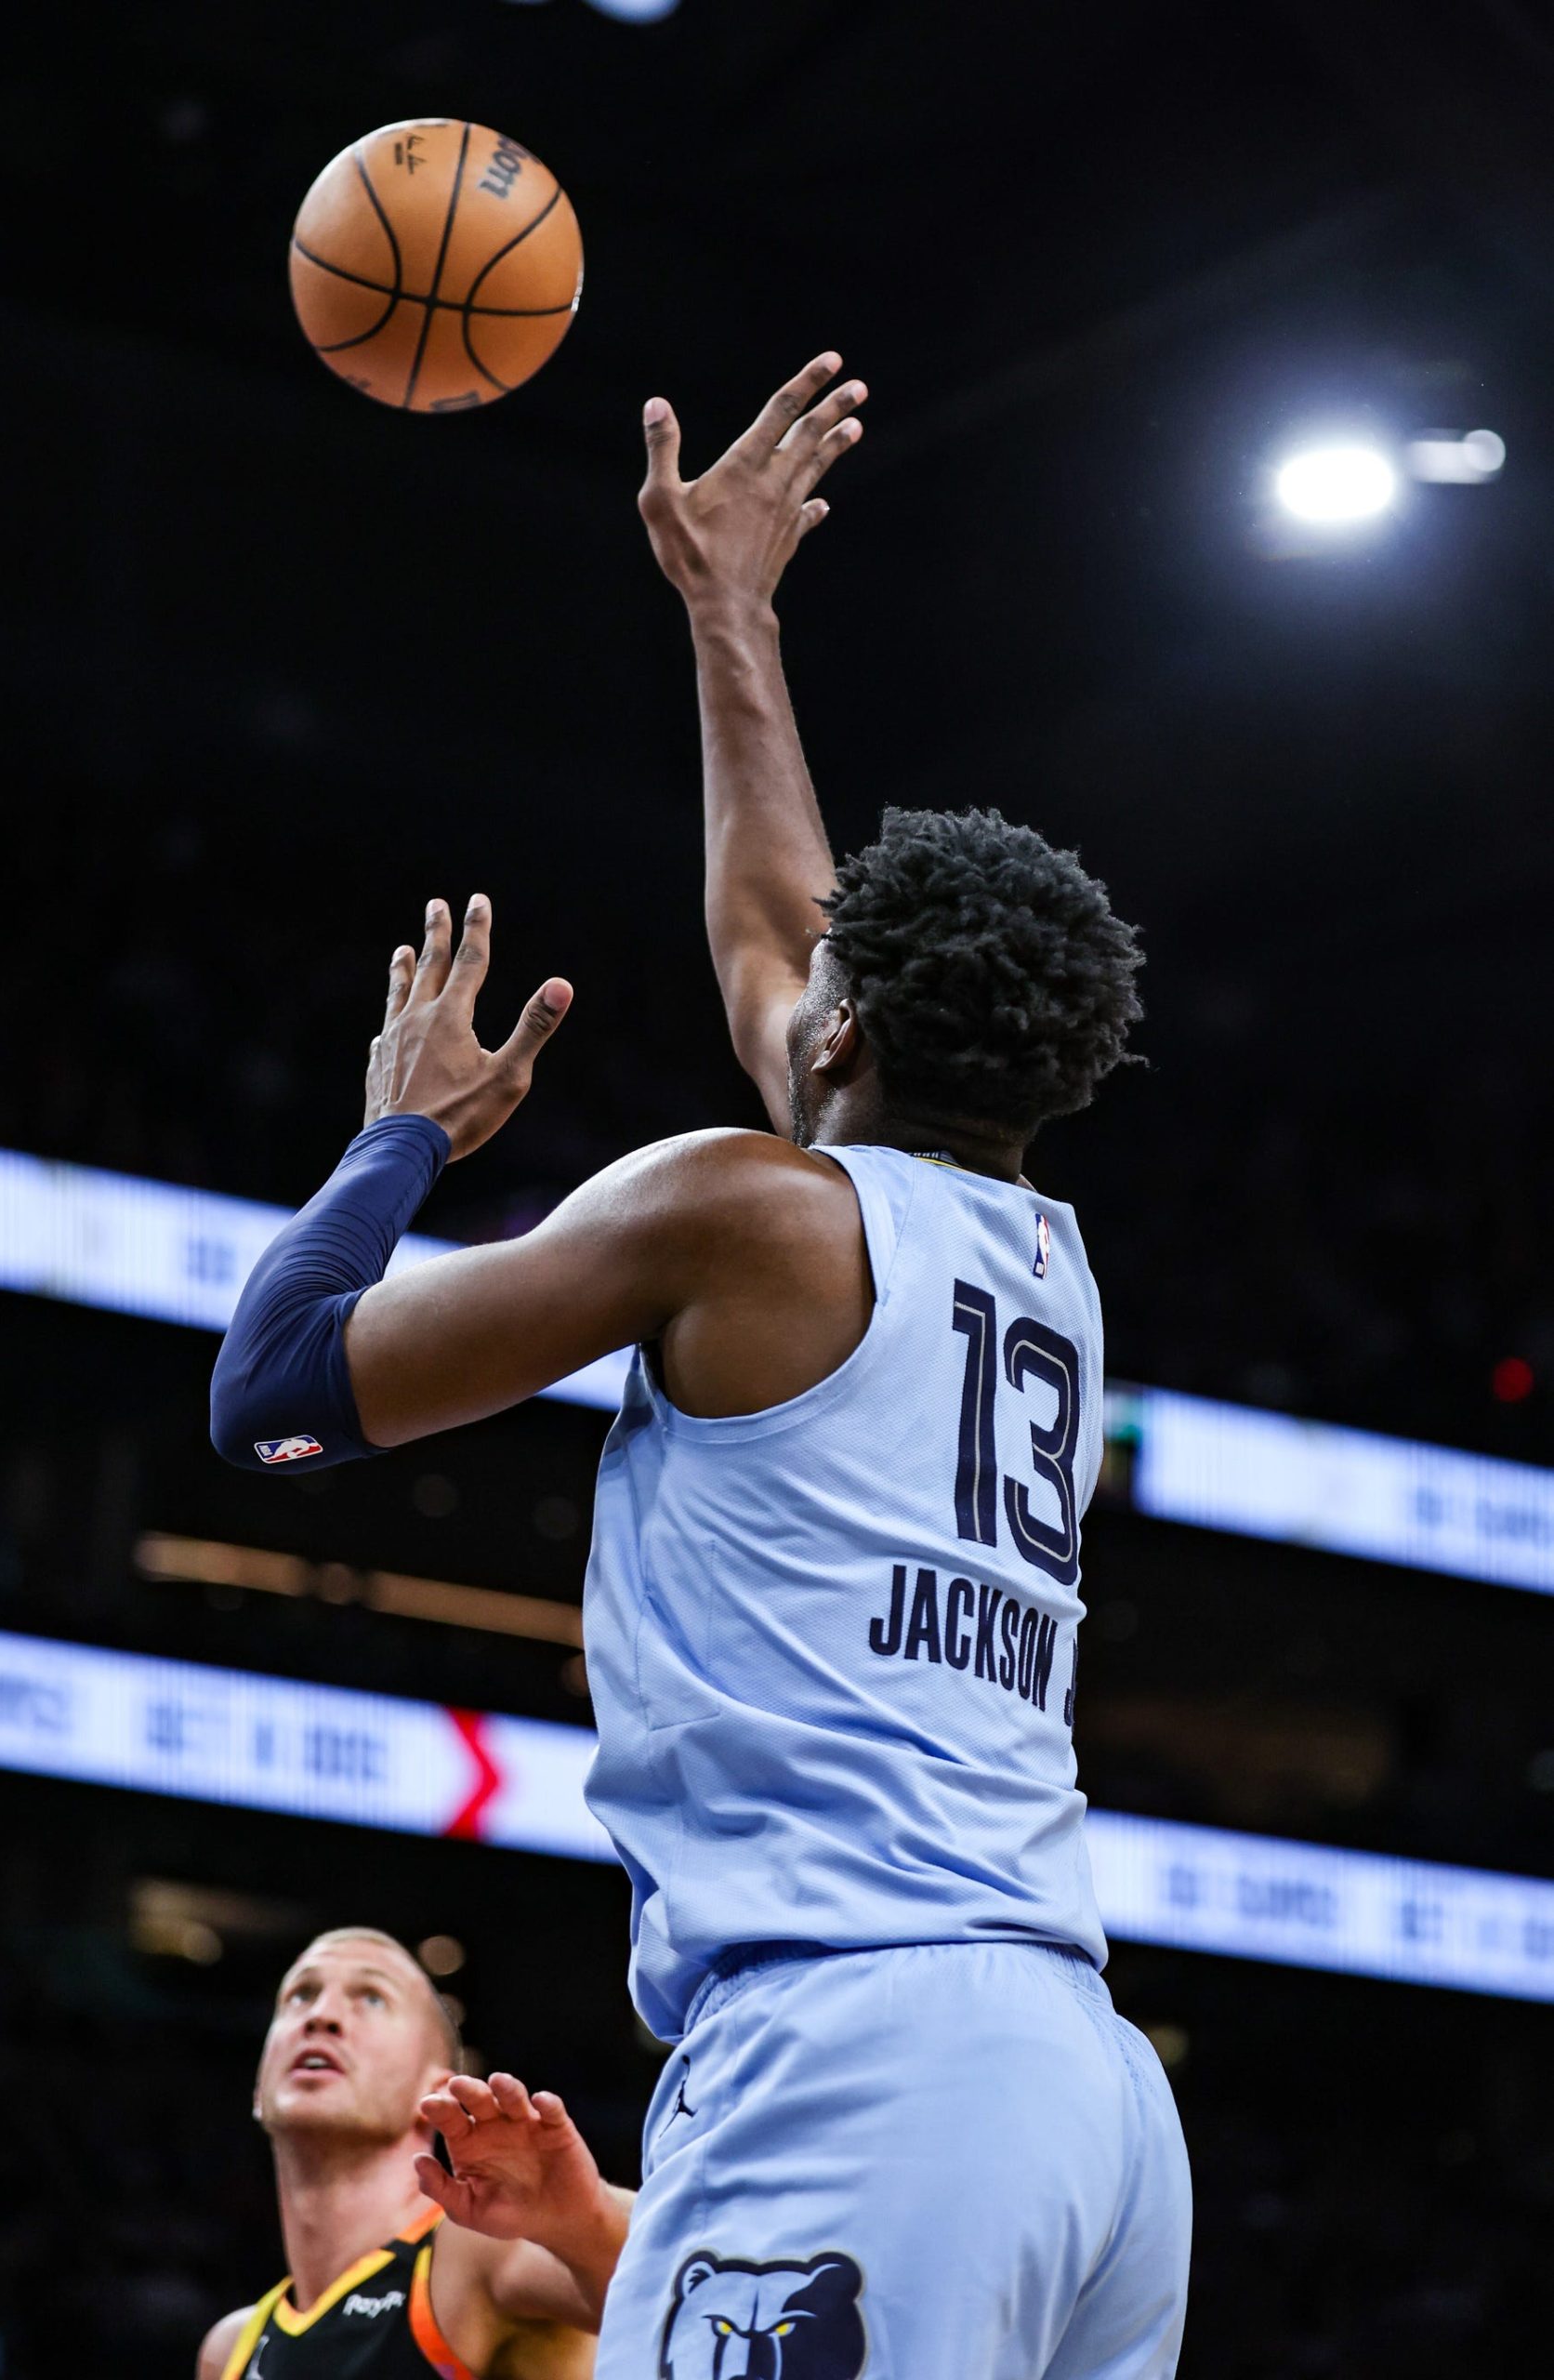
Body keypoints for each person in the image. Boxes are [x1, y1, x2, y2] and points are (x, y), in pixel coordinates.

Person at [211, 352, 1191, 2376]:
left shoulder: (740, 1207)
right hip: (1083, 2092)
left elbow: (276, 1389)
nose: (793, 975)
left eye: (826, 989)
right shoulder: (1041, 1263)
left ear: (845, 1042)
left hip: (853, 2051)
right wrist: (726, 613)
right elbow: (774, 934)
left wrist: (397, 1130)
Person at [196, 1926, 631, 2380]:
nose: (322, 2016)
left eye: (372, 1998)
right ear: (259, 2089)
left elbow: (688, 2279)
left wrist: (585, 2215)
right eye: (301, 1996)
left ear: (435, 2091)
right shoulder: (229, 2351)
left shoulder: (477, 2250)